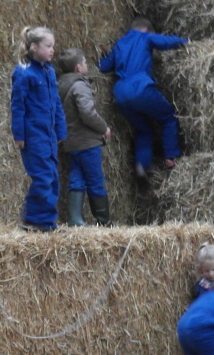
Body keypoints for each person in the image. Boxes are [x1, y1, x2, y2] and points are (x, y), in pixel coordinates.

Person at [98, 16, 188, 178]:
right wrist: (187, 42)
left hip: (120, 94)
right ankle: (171, 158)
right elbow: (165, 42)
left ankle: (141, 165)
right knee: (168, 117)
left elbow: (103, 66)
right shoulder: (144, 37)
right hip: (140, 88)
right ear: (146, 30)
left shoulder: (120, 44)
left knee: (144, 129)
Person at [12, 26, 66, 232]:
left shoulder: (49, 71)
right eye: (48, 46)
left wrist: (60, 129)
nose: (52, 50)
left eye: (53, 46)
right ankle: (33, 220)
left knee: (52, 177)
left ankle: (47, 222)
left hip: (49, 134)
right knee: (43, 177)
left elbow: (56, 103)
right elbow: (17, 106)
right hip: (33, 134)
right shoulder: (24, 73)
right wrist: (19, 134)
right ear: (34, 47)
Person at [57, 47, 111, 226]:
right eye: (85, 62)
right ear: (79, 68)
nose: (87, 65)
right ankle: (104, 222)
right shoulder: (79, 85)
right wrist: (103, 128)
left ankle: (75, 220)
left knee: (77, 179)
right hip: (87, 142)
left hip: (72, 142)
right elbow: (87, 113)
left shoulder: (60, 85)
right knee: (95, 180)